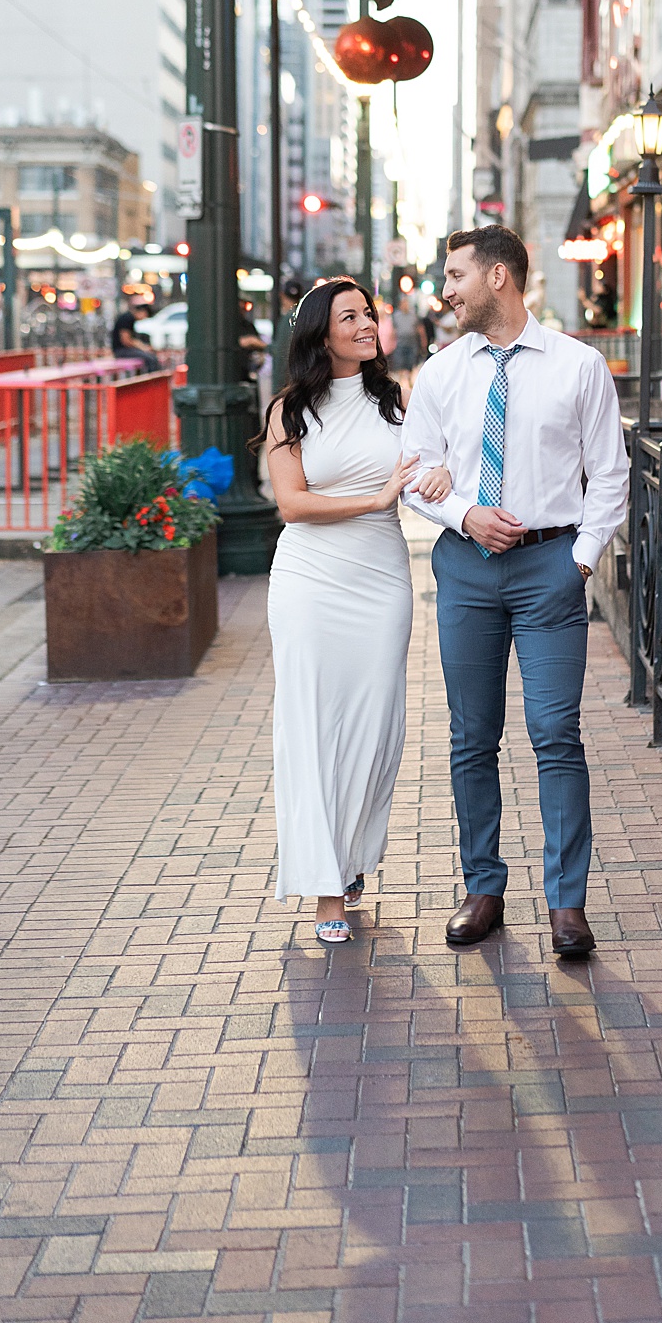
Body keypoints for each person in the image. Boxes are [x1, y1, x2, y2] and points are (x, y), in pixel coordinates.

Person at [400, 226, 630, 959]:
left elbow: (612, 474)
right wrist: (463, 512)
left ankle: (568, 905)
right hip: (465, 570)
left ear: (499, 277)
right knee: (473, 737)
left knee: (555, 733)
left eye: (455, 275)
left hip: (550, 568)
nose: (446, 290)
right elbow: (415, 469)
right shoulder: (439, 374)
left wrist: (582, 560)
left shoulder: (579, 366)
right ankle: (484, 887)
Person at [261, 279, 451, 945]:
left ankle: (350, 856)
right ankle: (325, 889)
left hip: (380, 578)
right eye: (351, 316)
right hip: (311, 580)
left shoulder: (395, 397)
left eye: (368, 313)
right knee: (314, 727)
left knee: (375, 729)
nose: (367, 324)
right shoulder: (290, 411)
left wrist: (441, 477)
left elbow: (430, 466)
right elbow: (293, 503)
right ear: (321, 333)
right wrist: (372, 501)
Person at [273, 279, 305, 392]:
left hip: (288, 387)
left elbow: (282, 353)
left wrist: (277, 390)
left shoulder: (288, 318)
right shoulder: (303, 317)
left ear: (281, 295)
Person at [111, 303, 159, 373]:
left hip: (123, 350)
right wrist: (142, 347)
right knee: (150, 359)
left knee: (151, 357)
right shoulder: (127, 318)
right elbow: (126, 340)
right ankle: (153, 380)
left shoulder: (129, 318)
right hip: (121, 351)